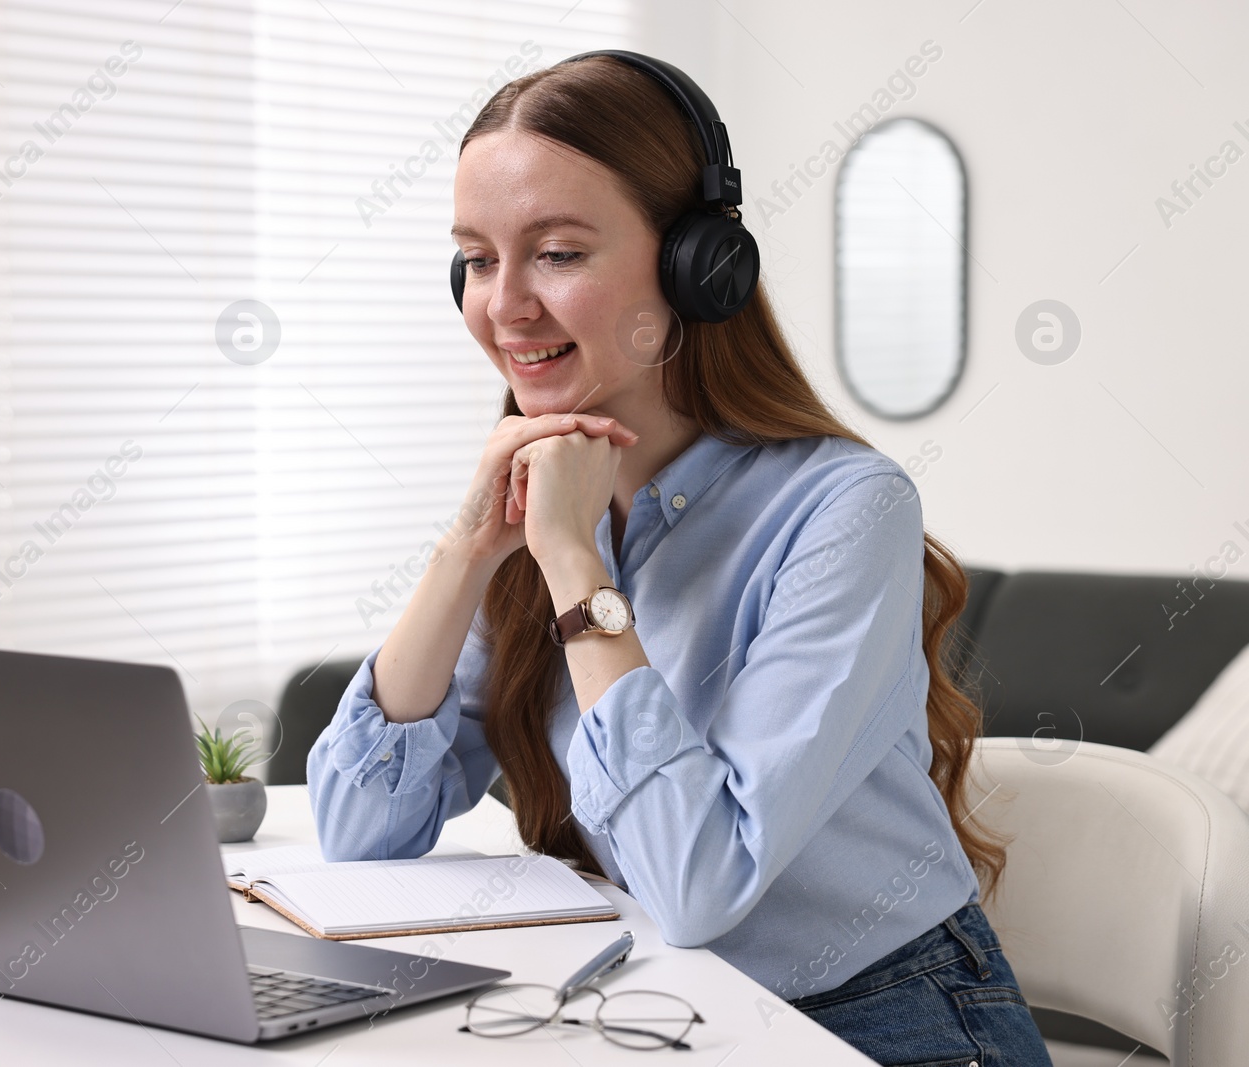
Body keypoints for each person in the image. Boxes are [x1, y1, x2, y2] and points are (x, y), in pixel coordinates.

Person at [306, 52, 1053, 1066]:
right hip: (666, 1006)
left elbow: (699, 885)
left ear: (698, 267)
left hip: (885, 1017)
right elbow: (357, 827)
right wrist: (465, 553)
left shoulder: (845, 510)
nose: (505, 305)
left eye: (558, 253)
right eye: (478, 260)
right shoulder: (549, 496)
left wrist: (574, 567)